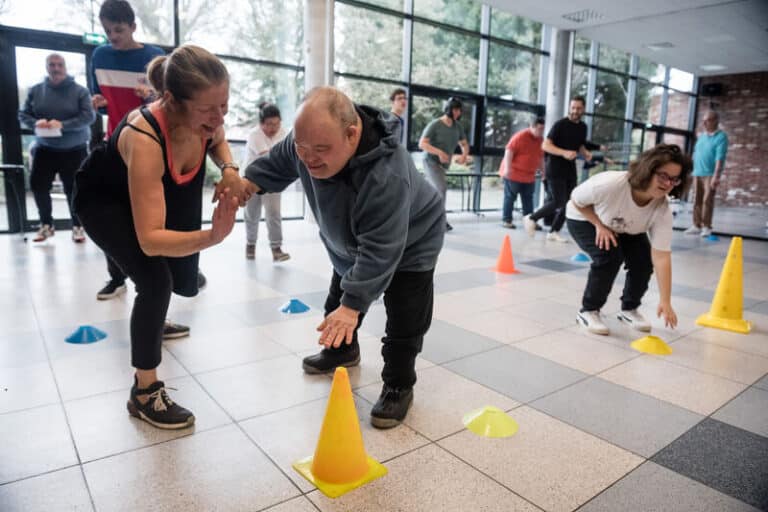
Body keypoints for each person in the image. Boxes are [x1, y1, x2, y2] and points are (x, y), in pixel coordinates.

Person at [239, 86, 445, 429]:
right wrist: (247, 185)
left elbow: (381, 250)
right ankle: (342, 351)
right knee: (338, 301)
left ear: (352, 134)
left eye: (320, 150)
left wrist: (354, 306)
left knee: (403, 319)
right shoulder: (307, 141)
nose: (309, 158)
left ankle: (398, 384)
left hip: (412, 242)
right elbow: (276, 164)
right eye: (302, 149)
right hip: (351, 241)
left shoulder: (386, 174)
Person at [73, 45, 243, 429]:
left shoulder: (204, 120)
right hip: (103, 201)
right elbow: (149, 240)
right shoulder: (145, 138)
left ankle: (154, 320)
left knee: (172, 275)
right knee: (154, 278)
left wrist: (229, 169)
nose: (218, 118)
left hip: (153, 189)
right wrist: (211, 237)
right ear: (171, 100)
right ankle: (144, 392)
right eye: (208, 110)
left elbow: (217, 140)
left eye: (225, 106)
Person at [565, 144, 692, 335]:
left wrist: (665, 301)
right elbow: (576, 199)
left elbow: (661, 257)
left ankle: (629, 309)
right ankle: (588, 310)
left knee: (643, 261)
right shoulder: (611, 184)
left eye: (673, 179)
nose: (667, 184)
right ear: (648, 169)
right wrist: (599, 225)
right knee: (609, 256)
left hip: (626, 226)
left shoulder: (662, 209)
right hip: (585, 217)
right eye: (663, 175)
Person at [90, 0, 165, 301]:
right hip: (113, 144)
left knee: (150, 216)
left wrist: (152, 95)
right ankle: (116, 276)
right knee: (112, 216)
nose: (113, 37)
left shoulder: (153, 57)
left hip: (148, 144)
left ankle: (171, 272)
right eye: (107, 31)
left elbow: (166, 100)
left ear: (133, 27)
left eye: (118, 30)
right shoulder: (99, 55)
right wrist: (97, 102)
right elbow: (98, 95)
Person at [18, 53, 95, 243]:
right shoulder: (36, 91)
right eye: (51, 64)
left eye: (59, 64)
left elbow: (89, 117)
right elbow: (23, 115)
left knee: (74, 189)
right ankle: (46, 225)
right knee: (38, 186)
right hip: (45, 148)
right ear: (47, 67)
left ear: (65, 67)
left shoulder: (80, 91)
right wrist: (37, 122)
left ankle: (78, 226)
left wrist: (62, 124)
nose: (56, 68)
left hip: (74, 149)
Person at [523, 96, 601, 242]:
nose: (575, 111)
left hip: (570, 169)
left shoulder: (583, 127)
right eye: (572, 108)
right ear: (569, 108)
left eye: (578, 108)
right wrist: (564, 152)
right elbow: (545, 145)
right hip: (555, 168)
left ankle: (554, 231)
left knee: (571, 201)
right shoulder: (560, 125)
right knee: (558, 201)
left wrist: (585, 153)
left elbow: (579, 145)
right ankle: (532, 218)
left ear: (583, 109)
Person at [242, 102, 290, 262]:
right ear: (261, 123)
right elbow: (267, 156)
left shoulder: (283, 133)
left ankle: (276, 248)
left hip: (272, 180)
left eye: (276, 123)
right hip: (251, 180)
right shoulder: (254, 134)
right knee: (251, 214)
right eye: (269, 124)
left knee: (274, 214)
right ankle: (250, 245)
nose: (273, 127)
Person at [418, 97, 470, 232]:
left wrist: (464, 155)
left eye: (459, 110)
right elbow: (422, 144)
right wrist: (439, 152)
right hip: (430, 161)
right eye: (456, 110)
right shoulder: (435, 124)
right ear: (449, 109)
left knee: (433, 192)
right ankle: (440, 222)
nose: (458, 113)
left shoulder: (457, 127)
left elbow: (464, 144)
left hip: (443, 165)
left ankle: (423, 219)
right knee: (441, 189)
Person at [684, 111, 728, 237]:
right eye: (703, 120)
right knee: (696, 200)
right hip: (697, 172)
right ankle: (696, 225)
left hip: (710, 174)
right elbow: (695, 154)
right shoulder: (702, 137)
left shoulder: (721, 137)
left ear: (715, 121)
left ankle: (706, 227)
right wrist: (690, 171)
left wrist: (716, 176)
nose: (704, 123)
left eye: (707, 120)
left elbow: (720, 158)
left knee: (707, 200)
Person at [499, 117, 545, 229]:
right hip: (514, 174)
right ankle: (507, 220)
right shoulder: (520, 137)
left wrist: (543, 172)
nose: (540, 132)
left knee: (528, 199)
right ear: (532, 126)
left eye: (542, 129)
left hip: (529, 176)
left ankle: (530, 221)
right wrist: (507, 169)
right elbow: (509, 151)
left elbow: (540, 158)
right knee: (510, 197)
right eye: (539, 129)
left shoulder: (540, 140)